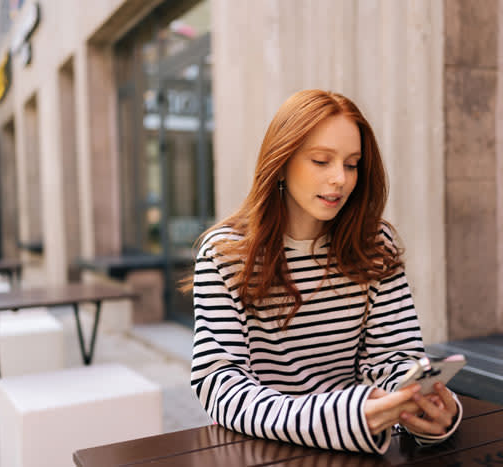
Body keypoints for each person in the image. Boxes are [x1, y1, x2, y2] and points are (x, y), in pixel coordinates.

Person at [189, 89, 461, 454]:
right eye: (321, 161)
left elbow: (393, 362)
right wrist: (346, 418)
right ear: (282, 161)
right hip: (261, 452)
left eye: (351, 164)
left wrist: (428, 413)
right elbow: (221, 387)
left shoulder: (375, 245)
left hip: (357, 447)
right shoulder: (226, 254)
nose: (340, 179)